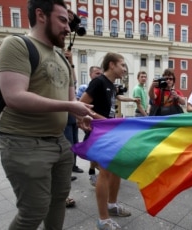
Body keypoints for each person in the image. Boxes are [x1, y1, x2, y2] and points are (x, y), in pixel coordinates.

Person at [0, 0, 94, 229]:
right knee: (33, 211)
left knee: (58, 202)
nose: (68, 28)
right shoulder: (17, 44)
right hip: (24, 142)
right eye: (62, 20)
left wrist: (81, 115)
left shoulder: (62, 58)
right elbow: (14, 97)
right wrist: (70, 107)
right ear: (41, 15)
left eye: (68, 22)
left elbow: (70, 101)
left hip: (60, 142)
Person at [78, 52, 141, 230]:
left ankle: (112, 206)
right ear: (112, 65)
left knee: (116, 170)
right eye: (122, 65)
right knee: (105, 173)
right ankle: (103, 219)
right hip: (100, 133)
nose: (124, 69)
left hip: (110, 132)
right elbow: (82, 106)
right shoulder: (98, 82)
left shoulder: (112, 86)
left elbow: (111, 108)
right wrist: (104, 121)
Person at [78, 66, 103, 187]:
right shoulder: (87, 89)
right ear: (90, 74)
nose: (99, 75)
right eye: (97, 73)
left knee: (97, 150)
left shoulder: (104, 87)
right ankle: (96, 172)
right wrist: (81, 119)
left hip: (103, 123)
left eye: (101, 73)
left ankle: (94, 171)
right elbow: (80, 104)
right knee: (93, 150)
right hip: (93, 123)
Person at [63, 48, 84, 174]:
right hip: (65, 118)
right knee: (69, 144)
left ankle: (73, 166)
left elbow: (74, 81)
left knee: (75, 143)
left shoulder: (71, 84)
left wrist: (71, 62)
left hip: (72, 118)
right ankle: (67, 171)